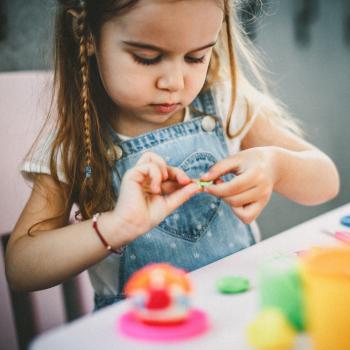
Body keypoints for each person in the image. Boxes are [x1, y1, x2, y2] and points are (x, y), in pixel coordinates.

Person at [5, 0, 339, 310]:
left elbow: (326, 182)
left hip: (239, 311)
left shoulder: (225, 105)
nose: (174, 82)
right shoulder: (76, 144)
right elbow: (21, 268)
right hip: (138, 333)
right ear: (88, 36)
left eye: (196, 58)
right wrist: (115, 226)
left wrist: (276, 165)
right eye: (147, 58)